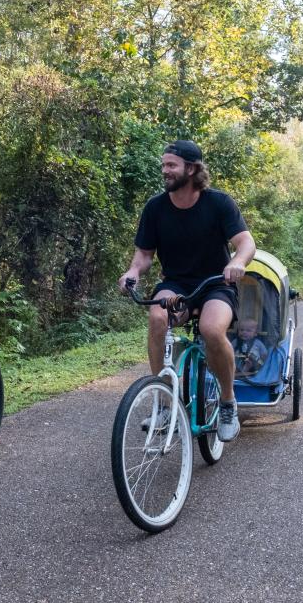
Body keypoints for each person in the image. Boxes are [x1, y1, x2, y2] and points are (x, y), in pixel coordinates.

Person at [118, 139, 256, 442]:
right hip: (176, 284)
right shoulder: (155, 208)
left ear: (192, 169)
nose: (165, 171)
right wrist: (133, 272)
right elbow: (144, 255)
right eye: (164, 165)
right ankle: (165, 404)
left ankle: (228, 401)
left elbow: (246, 242)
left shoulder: (218, 203)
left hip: (216, 283)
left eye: (171, 165)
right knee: (157, 319)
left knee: (210, 329)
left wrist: (238, 262)